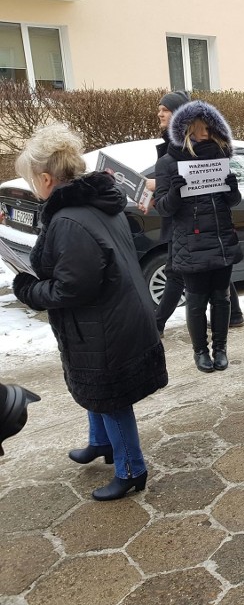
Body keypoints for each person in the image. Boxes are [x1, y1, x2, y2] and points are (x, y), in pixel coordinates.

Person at [12, 123, 168, 500]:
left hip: (104, 325)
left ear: (47, 178)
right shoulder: (93, 203)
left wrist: (30, 289)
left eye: (33, 180)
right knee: (96, 390)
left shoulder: (68, 219)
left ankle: (132, 469)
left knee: (111, 397)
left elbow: (73, 286)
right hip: (112, 317)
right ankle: (102, 443)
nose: (34, 187)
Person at [144, 91, 244, 334]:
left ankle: (157, 323)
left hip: (198, 222)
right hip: (184, 220)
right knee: (203, 264)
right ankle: (234, 315)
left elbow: (208, 188)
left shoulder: (206, 151)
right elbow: (171, 185)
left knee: (192, 268)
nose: (160, 113)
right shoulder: (169, 152)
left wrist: (158, 187)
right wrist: (158, 193)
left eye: (165, 109)